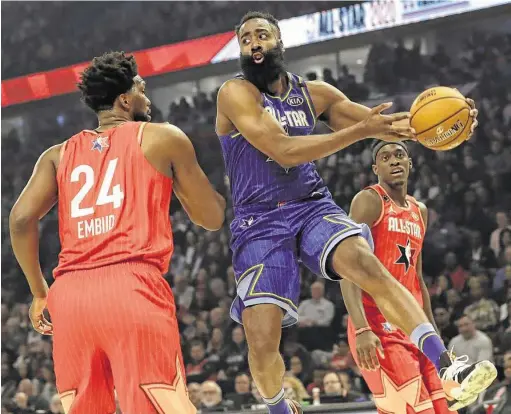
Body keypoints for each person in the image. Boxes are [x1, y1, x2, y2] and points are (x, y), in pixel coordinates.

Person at [215, 11, 493, 414]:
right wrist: (360, 133)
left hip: (310, 204)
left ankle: (448, 366)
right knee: (261, 340)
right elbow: (283, 150)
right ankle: (278, 406)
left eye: (262, 35)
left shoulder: (315, 95)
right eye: (245, 39)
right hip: (258, 221)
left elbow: (390, 125)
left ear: (279, 43)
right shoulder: (234, 93)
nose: (254, 43)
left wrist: (445, 121)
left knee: (367, 265)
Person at [9, 51, 226, 414]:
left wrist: (38, 292)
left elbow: (18, 220)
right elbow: (211, 218)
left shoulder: (57, 155)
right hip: (132, 285)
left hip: (71, 296)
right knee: (160, 403)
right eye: (142, 88)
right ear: (125, 99)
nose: (147, 96)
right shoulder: (161, 137)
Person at [341, 141, 455, 413]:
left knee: (445, 409)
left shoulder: (420, 211)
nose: (394, 161)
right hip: (379, 324)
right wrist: (362, 328)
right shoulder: (369, 200)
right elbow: (347, 269)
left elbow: (417, 277)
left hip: (415, 324)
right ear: (375, 167)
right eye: (385, 157)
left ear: (410, 164)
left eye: (400, 155)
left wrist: (434, 335)